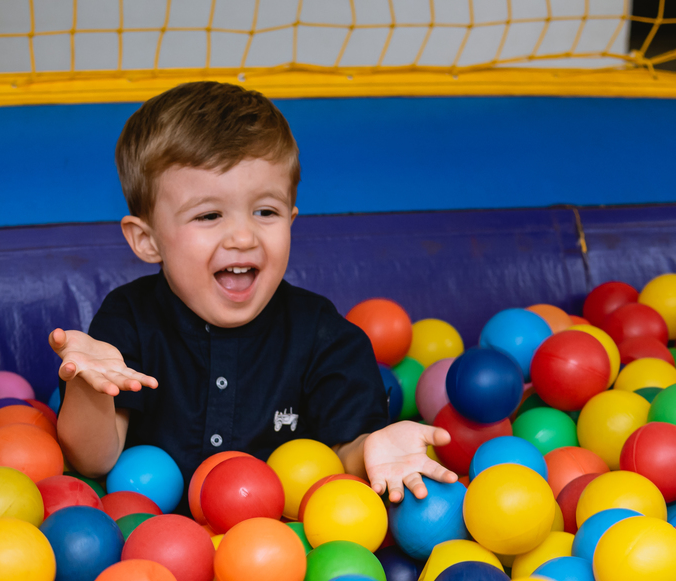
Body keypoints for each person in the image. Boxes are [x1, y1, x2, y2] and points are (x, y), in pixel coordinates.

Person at [50, 81, 456, 504]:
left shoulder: (323, 335)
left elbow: (345, 453)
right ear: (147, 240)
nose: (243, 237)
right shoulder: (129, 319)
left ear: (291, 221)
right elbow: (94, 461)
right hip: (148, 532)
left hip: (285, 540)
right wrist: (87, 387)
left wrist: (373, 448)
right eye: (209, 215)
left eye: (265, 211)